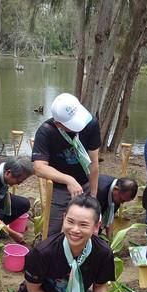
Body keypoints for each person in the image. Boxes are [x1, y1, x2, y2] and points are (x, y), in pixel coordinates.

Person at [32, 93, 101, 235]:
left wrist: (93, 195)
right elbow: (39, 168)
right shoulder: (46, 132)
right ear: (58, 124)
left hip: (85, 183)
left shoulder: (91, 124)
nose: (78, 127)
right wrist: (68, 180)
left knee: (83, 228)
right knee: (54, 230)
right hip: (59, 188)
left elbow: (93, 163)